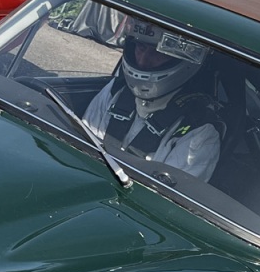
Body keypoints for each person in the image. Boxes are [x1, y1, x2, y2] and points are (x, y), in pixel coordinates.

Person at [83, 20, 224, 181]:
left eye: (158, 53)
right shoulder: (117, 91)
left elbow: (162, 194)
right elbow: (83, 147)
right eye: (140, 47)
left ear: (180, 59)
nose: (143, 61)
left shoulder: (200, 131)